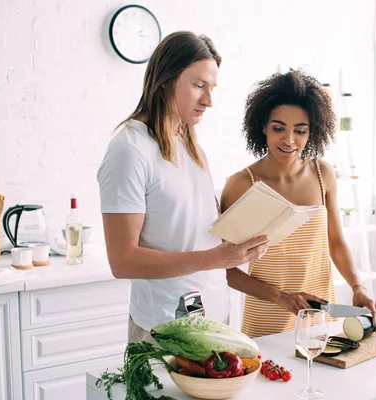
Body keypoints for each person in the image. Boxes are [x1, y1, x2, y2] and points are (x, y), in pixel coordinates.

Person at [97, 31, 269, 343]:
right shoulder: (129, 150)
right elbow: (122, 261)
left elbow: (195, 231)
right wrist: (216, 258)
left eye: (212, 88)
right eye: (198, 85)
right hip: (164, 325)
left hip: (218, 316)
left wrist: (242, 247)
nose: (209, 100)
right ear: (165, 80)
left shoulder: (193, 149)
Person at [220, 70, 376, 338]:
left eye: (300, 131)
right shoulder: (241, 185)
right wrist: (281, 297)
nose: (289, 141)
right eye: (278, 128)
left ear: (312, 132)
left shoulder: (322, 174)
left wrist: (357, 286)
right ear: (262, 127)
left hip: (319, 321)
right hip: (266, 324)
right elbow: (226, 269)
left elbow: (336, 242)